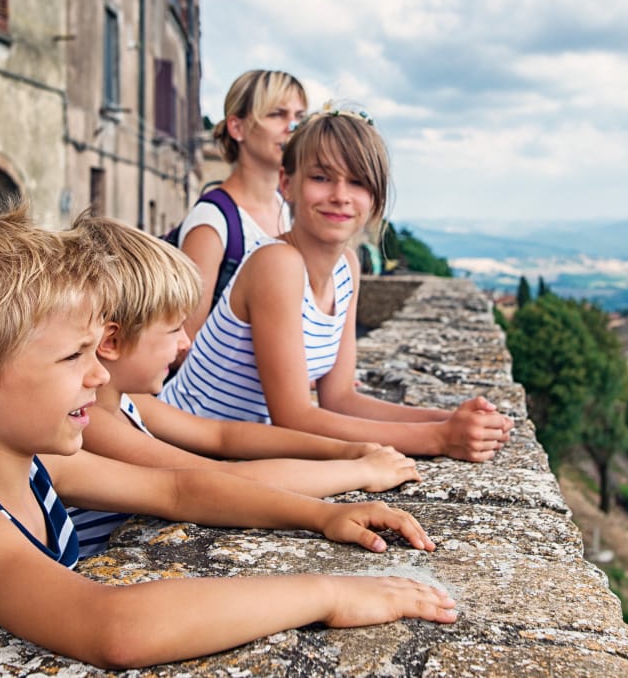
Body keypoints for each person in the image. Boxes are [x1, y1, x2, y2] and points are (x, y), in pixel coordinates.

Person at [0, 208, 456, 677]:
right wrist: (327, 593)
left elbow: (178, 488)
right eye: (73, 356)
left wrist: (324, 516)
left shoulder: (31, 465)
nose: (98, 377)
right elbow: (112, 626)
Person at [160, 105, 515, 462]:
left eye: (358, 182)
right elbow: (295, 418)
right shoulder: (276, 263)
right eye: (321, 178)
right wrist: (438, 438)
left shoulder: (347, 265)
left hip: (225, 457)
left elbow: (341, 399)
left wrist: (449, 419)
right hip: (173, 452)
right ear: (288, 184)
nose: (341, 195)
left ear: (375, 198)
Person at [68, 215, 421, 554]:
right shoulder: (90, 417)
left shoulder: (123, 398)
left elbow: (222, 435)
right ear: (111, 342)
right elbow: (213, 478)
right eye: (174, 329)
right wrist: (359, 471)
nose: (185, 344)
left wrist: (346, 449)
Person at [175, 69, 307, 340]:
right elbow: (183, 341)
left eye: (299, 117)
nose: (292, 127)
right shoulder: (212, 222)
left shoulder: (288, 209)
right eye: (277, 114)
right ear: (237, 127)